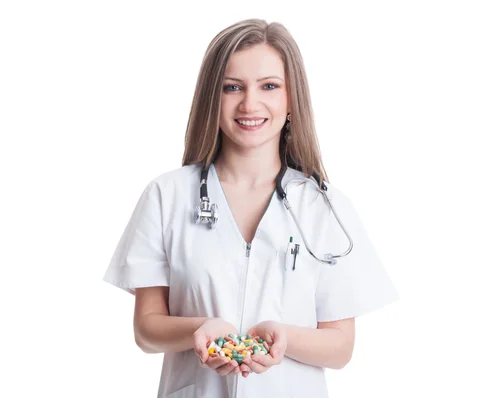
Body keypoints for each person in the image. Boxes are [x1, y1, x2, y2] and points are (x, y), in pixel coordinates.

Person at [102, 18, 398, 398]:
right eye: (232, 87)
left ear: (291, 99)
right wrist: (202, 328)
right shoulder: (166, 195)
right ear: (213, 97)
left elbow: (340, 347)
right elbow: (146, 330)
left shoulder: (324, 207)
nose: (250, 104)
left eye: (269, 86)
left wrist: (283, 338)